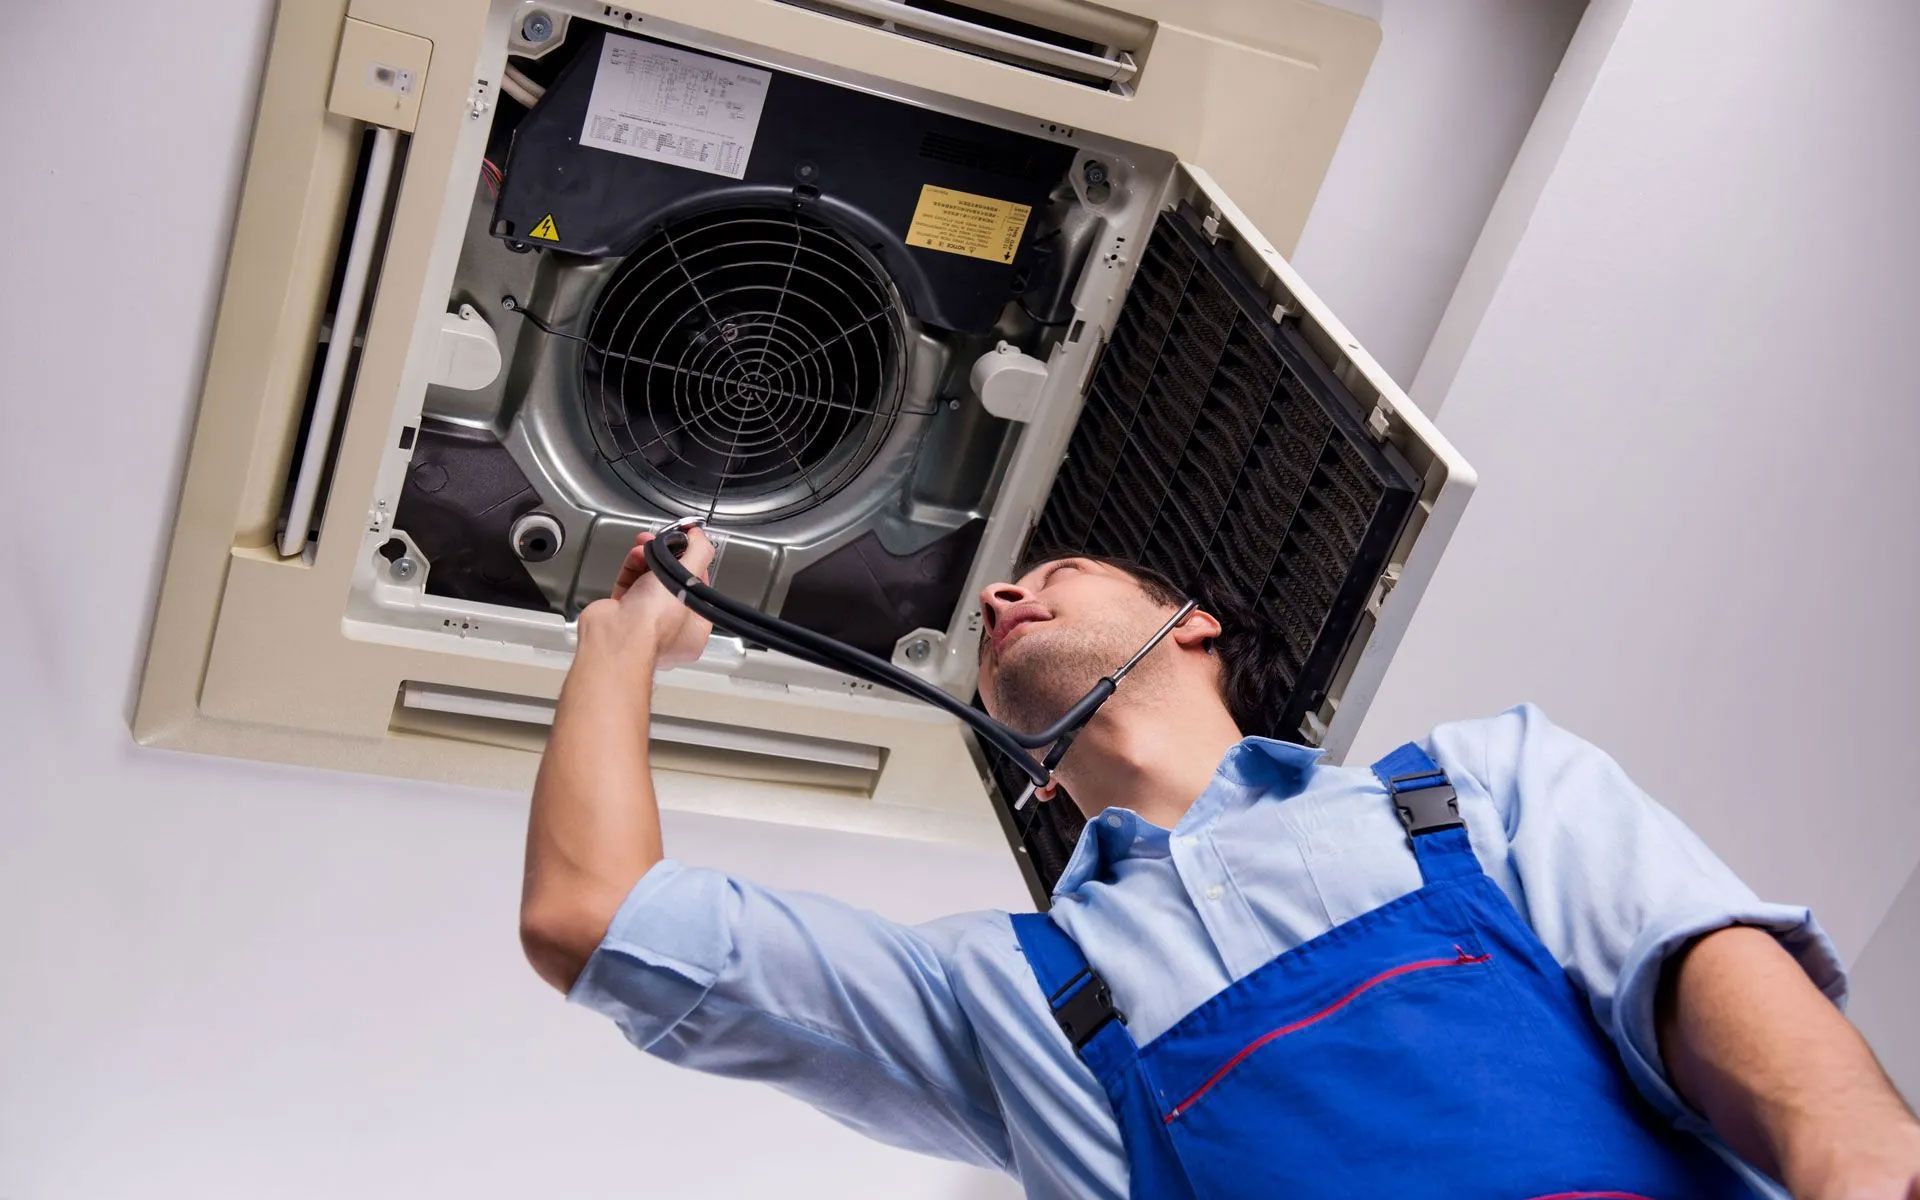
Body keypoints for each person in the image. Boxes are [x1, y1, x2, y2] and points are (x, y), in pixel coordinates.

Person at [520, 527, 1920, 1198]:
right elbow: (597, 918)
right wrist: (619, 642)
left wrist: (1864, 1172)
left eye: (1050, 572)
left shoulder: (1478, 785)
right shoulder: (1015, 998)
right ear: (1034, 773)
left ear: (1191, 624)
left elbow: (1712, 973)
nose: (1003, 595)